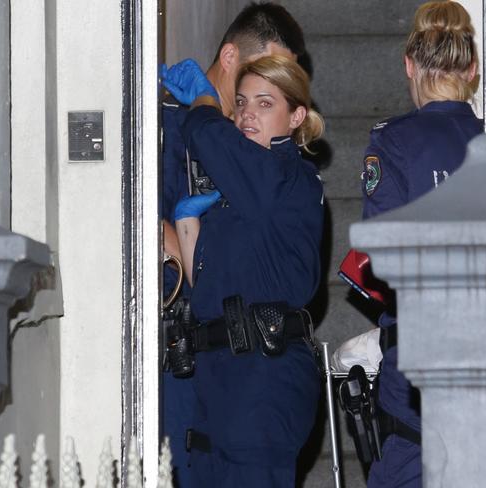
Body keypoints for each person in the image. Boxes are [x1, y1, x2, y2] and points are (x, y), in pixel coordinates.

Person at [162, 54, 325, 487]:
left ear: (297, 117)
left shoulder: (287, 176)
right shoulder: (243, 191)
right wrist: (187, 221)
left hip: (263, 377)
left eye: (265, 103)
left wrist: (203, 101)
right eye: (241, 102)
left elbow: (212, 140)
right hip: (221, 375)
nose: (248, 113)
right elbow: (206, 287)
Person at [359, 2, 483, 487]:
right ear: (473, 69)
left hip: (420, 374)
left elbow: (380, 263)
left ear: (408, 65)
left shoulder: (393, 142)